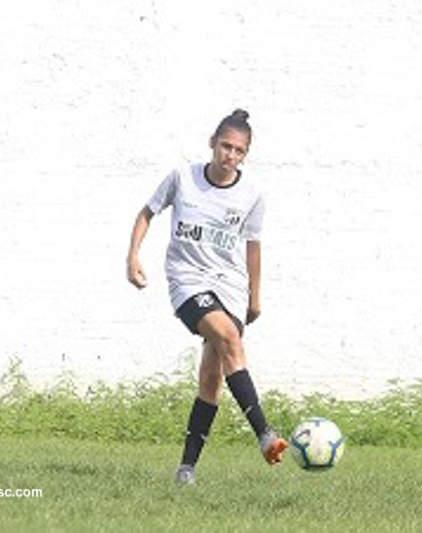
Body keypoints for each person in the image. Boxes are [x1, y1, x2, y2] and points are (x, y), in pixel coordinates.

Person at [126, 109, 288, 485]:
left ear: (245, 155)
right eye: (225, 146)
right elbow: (147, 212)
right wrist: (132, 257)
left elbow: (253, 246)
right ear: (212, 144)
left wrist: (254, 296)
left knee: (211, 378)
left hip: (229, 287)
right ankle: (264, 434)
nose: (230, 155)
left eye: (239, 151)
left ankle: (186, 470)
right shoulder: (183, 178)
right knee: (229, 338)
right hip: (187, 281)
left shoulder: (252, 194)